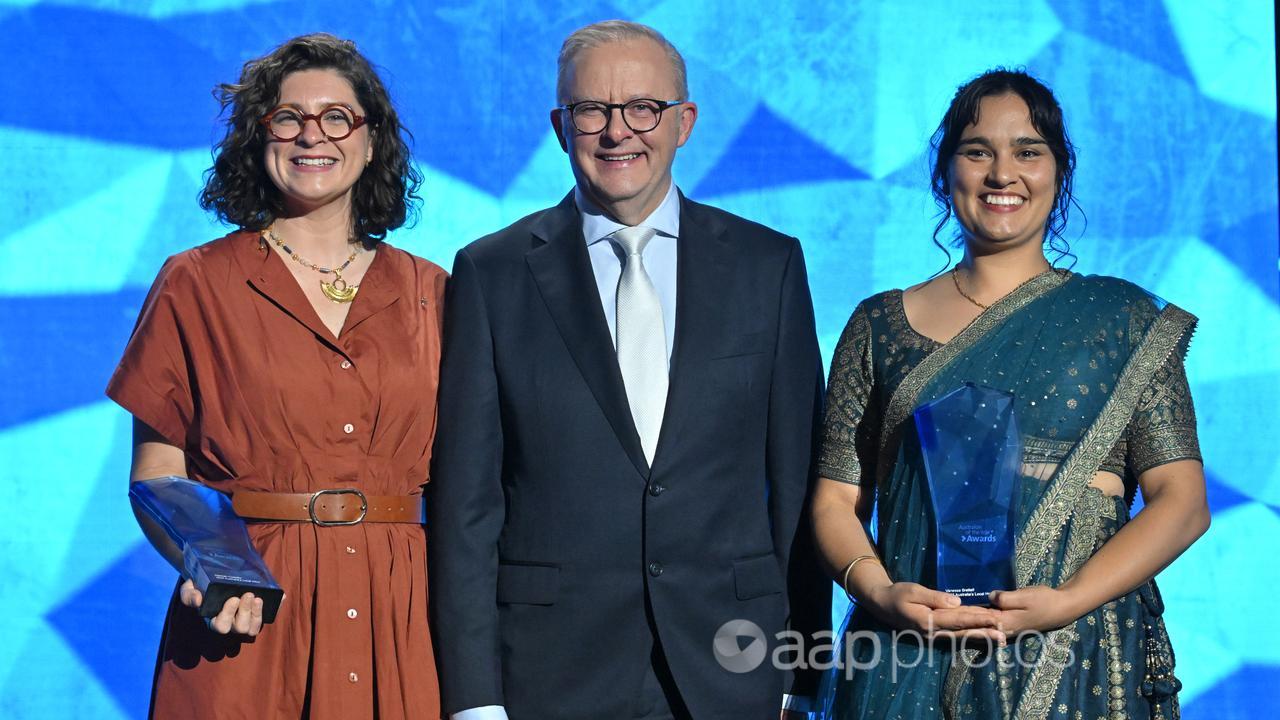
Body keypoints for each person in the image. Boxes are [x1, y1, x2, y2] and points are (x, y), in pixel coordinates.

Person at [429, 19, 830, 720]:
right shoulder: (491, 273)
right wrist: (474, 699)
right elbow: (468, 504)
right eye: (593, 110)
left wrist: (806, 670)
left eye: (644, 108)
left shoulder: (768, 266)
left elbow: (798, 485)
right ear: (561, 126)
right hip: (550, 674)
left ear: (684, 122)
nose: (619, 132)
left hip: (735, 670)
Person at [810, 68, 1210, 719]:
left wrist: (1067, 601)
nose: (1003, 174)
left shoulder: (1122, 321)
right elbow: (833, 500)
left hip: (1077, 657)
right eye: (977, 152)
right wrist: (881, 594)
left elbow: (1182, 503)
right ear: (944, 174)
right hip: (906, 658)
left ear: (1059, 172)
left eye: (1028, 151)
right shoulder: (879, 326)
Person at [106, 33, 444, 719]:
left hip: (405, 620)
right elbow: (159, 475)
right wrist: (210, 568)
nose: (310, 135)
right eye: (287, 118)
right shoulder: (194, 283)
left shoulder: (433, 292)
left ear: (372, 139)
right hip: (250, 617)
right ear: (259, 139)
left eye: (336, 117)